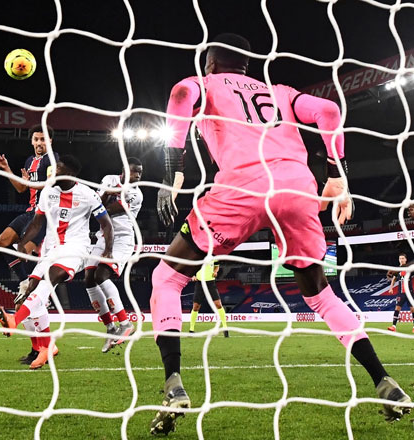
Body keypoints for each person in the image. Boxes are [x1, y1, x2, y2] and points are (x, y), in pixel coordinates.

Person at [148, 33, 411, 434]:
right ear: (248, 66)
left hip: (242, 188)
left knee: (167, 277)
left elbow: (181, 92)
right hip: (295, 187)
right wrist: (337, 175)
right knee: (321, 295)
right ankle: (384, 381)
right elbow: (328, 110)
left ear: (211, 64)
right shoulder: (282, 92)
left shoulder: (205, 83)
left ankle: (173, 385)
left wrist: (172, 168)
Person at [0, 155, 114, 368]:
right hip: (50, 249)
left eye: (57, 169)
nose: (52, 172)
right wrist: (23, 243)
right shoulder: (48, 193)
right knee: (31, 290)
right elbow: (36, 223)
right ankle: (46, 347)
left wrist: (108, 251)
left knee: (47, 281)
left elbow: (106, 224)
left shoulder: (87, 194)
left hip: (75, 248)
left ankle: (15, 319)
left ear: (69, 174)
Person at [84, 158, 143, 353]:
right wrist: (108, 194)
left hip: (122, 239)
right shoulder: (109, 178)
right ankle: (111, 328)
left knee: (101, 275)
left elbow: (109, 209)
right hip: (103, 236)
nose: (137, 176)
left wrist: (108, 195)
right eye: (134, 171)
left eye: (140, 173)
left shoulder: (136, 194)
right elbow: (96, 206)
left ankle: (125, 322)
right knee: (89, 279)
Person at [0, 125, 59, 283]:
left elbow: (51, 183)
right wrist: (7, 169)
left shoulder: (53, 158)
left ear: (50, 141)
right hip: (30, 212)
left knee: (23, 254)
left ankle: (38, 293)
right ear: (31, 141)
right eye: (36, 139)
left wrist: (32, 183)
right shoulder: (30, 161)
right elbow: (21, 188)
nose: (39, 143)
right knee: (1, 242)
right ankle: (24, 282)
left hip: (43, 215)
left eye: (43, 139)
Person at [188, 260, 228, 337]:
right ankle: (191, 330)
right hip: (200, 283)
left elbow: (216, 266)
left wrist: (215, 271)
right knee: (196, 307)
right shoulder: (198, 255)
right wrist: (193, 275)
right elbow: (191, 267)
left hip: (211, 283)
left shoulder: (214, 256)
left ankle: (225, 328)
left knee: (218, 305)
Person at [386, 252, 414, 333]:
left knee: (412, 309)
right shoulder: (397, 270)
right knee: (397, 308)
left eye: (402, 258)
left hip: (410, 292)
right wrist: (391, 288)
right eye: (400, 258)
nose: (401, 260)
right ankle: (393, 326)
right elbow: (394, 279)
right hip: (401, 292)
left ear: (405, 260)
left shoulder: (409, 269)